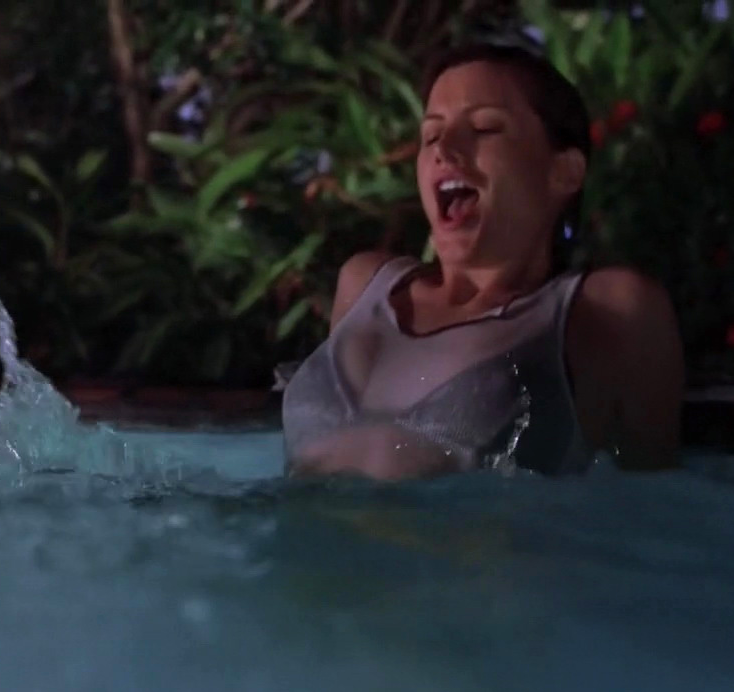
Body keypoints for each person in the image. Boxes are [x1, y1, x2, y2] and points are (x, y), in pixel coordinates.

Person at [281, 42, 684, 480]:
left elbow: (655, 497)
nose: (443, 148)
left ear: (564, 172)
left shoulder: (609, 310)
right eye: (431, 135)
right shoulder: (365, 285)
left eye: (485, 128)